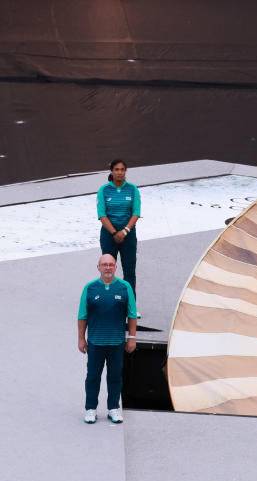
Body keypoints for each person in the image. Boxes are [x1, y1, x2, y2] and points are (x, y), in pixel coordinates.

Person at [78, 254, 137, 424]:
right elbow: (82, 316)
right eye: (104, 265)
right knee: (92, 377)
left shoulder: (125, 287)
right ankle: (90, 409)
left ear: (115, 267)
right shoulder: (89, 288)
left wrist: (131, 338)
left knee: (115, 376)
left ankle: (113, 408)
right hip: (95, 343)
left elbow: (132, 315)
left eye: (111, 264)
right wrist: (81, 339)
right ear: (98, 267)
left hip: (117, 342)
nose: (108, 268)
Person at [97, 159, 141, 294]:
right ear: (112, 171)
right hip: (109, 236)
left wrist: (125, 231)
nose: (120, 172)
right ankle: (108, 302)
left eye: (122, 169)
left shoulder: (132, 189)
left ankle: (130, 306)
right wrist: (115, 233)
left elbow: (136, 212)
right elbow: (102, 214)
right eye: (117, 169)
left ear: (125, 171)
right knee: (108, 270)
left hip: (128, 236)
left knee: (129, 271)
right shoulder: (104, 190)